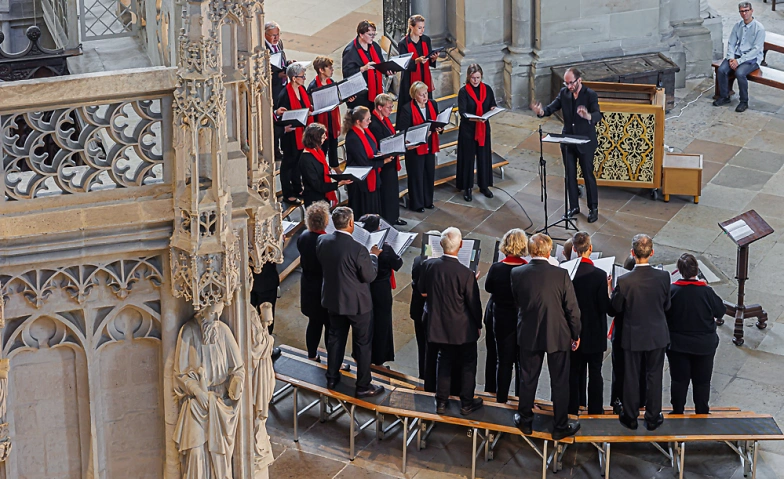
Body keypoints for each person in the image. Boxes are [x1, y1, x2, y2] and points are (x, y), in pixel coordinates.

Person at [511, 233, 581, 440]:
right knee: (560, 381)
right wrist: (575, 334)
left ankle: (525, 420)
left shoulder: (517, 273)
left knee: (527, 378)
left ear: (530, 251)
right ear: (549, 251)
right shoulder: (561, 275)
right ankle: (560, 426)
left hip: (529, 333)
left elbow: (518, 302)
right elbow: (572, 309)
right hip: (557, 334)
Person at [316, 207, 384, 397]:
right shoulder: (358, 249)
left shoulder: (322, 241)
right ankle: (363, 386)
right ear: (351, 223)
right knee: (362, 344)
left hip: (333, 299)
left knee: (335, 337)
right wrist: (373, 257)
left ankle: (331, 377)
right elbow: (369, 276)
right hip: (357, 304)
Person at [173, 301, 245, 478]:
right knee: (195, 451)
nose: (217, 317)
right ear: (202, 310)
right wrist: (198, 392)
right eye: (213, 313)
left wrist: (237, 382)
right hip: (197, 402)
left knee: (219, 456)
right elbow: (180, 374)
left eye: (219, 312)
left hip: (221, 402)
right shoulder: (188, 331)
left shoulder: (224, 331)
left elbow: (238, 368)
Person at [419, 227, 483, 415]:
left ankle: (441, 402)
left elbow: (422, 291)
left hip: (439, 325)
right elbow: (474, 304)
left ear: (441, 244)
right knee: (468, 364)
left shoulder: (429, 266)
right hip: (462, 328)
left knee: (444, 360)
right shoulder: (466, 274)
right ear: (461, 245)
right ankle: (466, 403)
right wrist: (478, 324)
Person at [611, 234, 671, 431]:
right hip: (656, 334)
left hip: (633, 335)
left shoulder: (625, 280)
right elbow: (667, 305)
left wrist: (612, 292)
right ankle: (653, 417)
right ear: (651, 253)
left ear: (632, 253)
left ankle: (630, 416)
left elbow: (616, 308)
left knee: (631, 375)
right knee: (654, 375)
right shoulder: (663, 277)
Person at [531, 67, 602, 224]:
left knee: (588, 174)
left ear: (579, 80)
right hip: (568, 141)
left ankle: (593, 208)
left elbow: (598, 115)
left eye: (571, 83)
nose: (569, 86)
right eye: (566, 83)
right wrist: (541, 112)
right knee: (570, 174)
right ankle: (574, 206)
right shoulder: (564, 93)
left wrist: (588, 116)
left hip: (585, 141)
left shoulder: (590, 94)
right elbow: (550, 108)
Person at [666, 253, 725, 415]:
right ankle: (702, 412)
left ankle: (677, 411)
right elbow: (720, 311)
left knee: (679, 380)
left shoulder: (672, 291)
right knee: (702, 381)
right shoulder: (706, 291)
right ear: (697, 270)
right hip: (704, 345)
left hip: (678, 345)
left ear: (679, 270)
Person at [568, 232, 611, 415]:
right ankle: (595, 409)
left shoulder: (567, 273)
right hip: (595, 332)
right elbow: (605, 307)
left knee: (574, 372)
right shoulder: (600, 275)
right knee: (595, 372)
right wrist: (608, 289)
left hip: (574, 332)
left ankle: (573, 407)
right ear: (590, 249)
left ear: (574, 249)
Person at [485, 228, 528, 403]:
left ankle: (501, 399)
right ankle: (521, 399)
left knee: (503, 362)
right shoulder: (526, 269)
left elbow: (488, 287)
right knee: (522, 363)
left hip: (502, 320)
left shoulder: (496, 268)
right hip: (521, 321)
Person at [360, 214, 404, 365]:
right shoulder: (385, 248)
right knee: (382, 322)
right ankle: (379, 357)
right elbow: (397, 264)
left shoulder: (360, 245)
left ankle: (362, 354)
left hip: (365, 287)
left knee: (366, 321)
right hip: (381, 289)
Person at [396, 81, 442, 212]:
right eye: (422, 95)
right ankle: (417, 204)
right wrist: (420, 134)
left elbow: (437, 121)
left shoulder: (433, 104)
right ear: (414, 96)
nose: (425, 97)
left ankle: (428, 201)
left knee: (429, 173)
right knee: (416, 175)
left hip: (430, 144)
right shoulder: (407, 109)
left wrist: (439, 128)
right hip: (415, 149)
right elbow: (404, 130)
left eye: (426, 93)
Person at [609, 255, 646, 415]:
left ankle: (618, 401)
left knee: (620, 369)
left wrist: (610, 290)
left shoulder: (623, 283)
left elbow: (614, 309)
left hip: (623, 333)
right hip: (642, 332)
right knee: (642, 369)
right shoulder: (649, 282)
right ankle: (641, 401)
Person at [713, 2, 765, 113]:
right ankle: (724, 96)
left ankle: (744, 101)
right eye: (742, 11)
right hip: (737, 55)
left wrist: (739, 61)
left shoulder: (759, 28)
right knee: (721, 70)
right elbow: (731, 43)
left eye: (746, 11)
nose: (744, 13)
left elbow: (756, 50)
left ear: (751, 11)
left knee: (740, 73)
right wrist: (731, 58)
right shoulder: (737, 25)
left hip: (752, 58)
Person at [297, 202, 332, 362]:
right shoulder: (326, 241)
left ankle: (312, 355)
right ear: (325, 221)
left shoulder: (303, 237)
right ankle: (333, 360)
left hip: (308, 286)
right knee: (331, 327)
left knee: (314, 323)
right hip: (325, 289)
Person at [457, 64, 497, 202]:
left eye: (478, 78)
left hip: (483, 128)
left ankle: (484, 186)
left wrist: (492, 108)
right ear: (468, 77)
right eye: (473, 78)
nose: (475, 80)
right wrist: (475, 118)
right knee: (467, 159)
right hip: (468, 130)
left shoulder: (487, 89)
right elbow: (462, 112)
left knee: (484, 157)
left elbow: (492, 104)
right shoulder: (463, 92)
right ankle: (467, 188)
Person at [274, 63, 312, 204]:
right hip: (290, 136)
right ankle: (288, 193)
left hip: (301, 133)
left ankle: (297, 188)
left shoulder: (302, 89)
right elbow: (279, 118)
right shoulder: (284, 94)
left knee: (298, 163)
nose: (304, 78)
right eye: (302, 76)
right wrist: (285, 127)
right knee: (288, 166)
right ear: (294, 78)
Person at [343, 106, 390, 217]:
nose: (370, 121)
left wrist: (380, 154)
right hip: (360, 183)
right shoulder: (353, 137)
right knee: (364, 212)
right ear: (358, 122)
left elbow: (372, 149)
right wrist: (384, 161)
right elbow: (364, 162)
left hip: (371, 177)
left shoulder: (365, 131)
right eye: (367, 119)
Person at [369, 93, 406, 226]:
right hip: (384, 163)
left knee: (393, 190)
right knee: (387, 192)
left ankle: (394, 217)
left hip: (391, 160)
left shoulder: (384, 119)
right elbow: (380, 143)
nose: (391, 110)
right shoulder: (374, 123)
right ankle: (388, 220)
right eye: (389, 107)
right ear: (379, 107)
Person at [342, 20, 391, 110]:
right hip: (360, 95)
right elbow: (347, 74)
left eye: (374, 34)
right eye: (370, 34)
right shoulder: (350, 52)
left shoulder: (375, 46)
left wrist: (387, 71)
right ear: (361, 35)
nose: (373, 37)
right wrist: (363, 68)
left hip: (376, 91)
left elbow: (381, 64)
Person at [299, 123, 351, 207]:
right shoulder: (306, 159)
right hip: (314, 201)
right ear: (316, 139)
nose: (326, 138)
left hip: (323, 196)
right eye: (323, 137)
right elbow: (316, 185)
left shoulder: (318, 152)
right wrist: (338, 184)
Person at [307, 56, 344, 167]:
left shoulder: (330, 81)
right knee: (323, 147)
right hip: (321, 122)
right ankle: (322, 168)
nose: (332, 70)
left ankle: (335, 166)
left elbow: (335, 99)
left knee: (333, 144)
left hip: (332, 119)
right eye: (330, 68)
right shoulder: (313, 87)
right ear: (321, 70)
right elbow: (311, 106)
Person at [265, 21, 292, 162]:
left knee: (284, 114)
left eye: (278, 35)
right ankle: (274, 150)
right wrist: (278, 76)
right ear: (265, 35)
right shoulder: (262, 48)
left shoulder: (278, 43)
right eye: (273, 35)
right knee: (275, 118)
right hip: (272, 89)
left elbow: (280, 61)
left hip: (283, 86)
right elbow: (262, 73)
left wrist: (288, 65)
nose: (276, 38)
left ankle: (284, 146)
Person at [397, 15, 438, 106]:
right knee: (410, 105)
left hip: (424, 76)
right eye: (419, 28)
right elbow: (404, 65)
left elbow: (429, 59)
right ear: (411, 27)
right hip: (409, 80)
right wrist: (416, 61)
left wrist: (433, 59)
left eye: (423, 27)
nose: (422, 30)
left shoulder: (426, 40)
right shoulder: (403, 43)